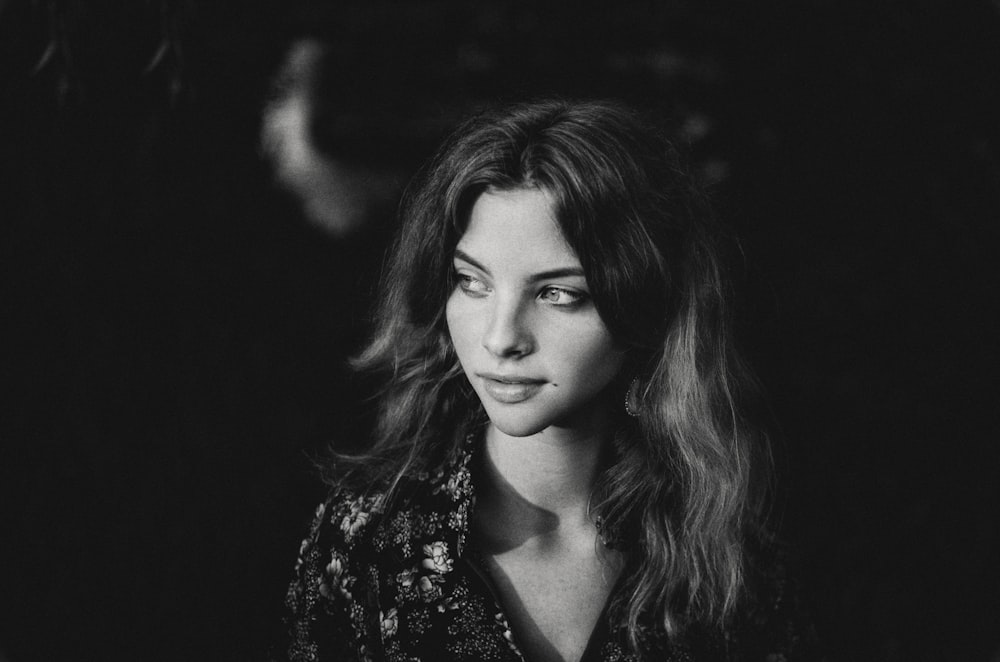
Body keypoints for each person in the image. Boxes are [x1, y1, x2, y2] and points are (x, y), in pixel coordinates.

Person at [279, 99, 817, 661]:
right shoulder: (371, 542)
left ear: (645, 308)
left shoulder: (727, 562)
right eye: (472, 281)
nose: (501, 337)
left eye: (557, 293)